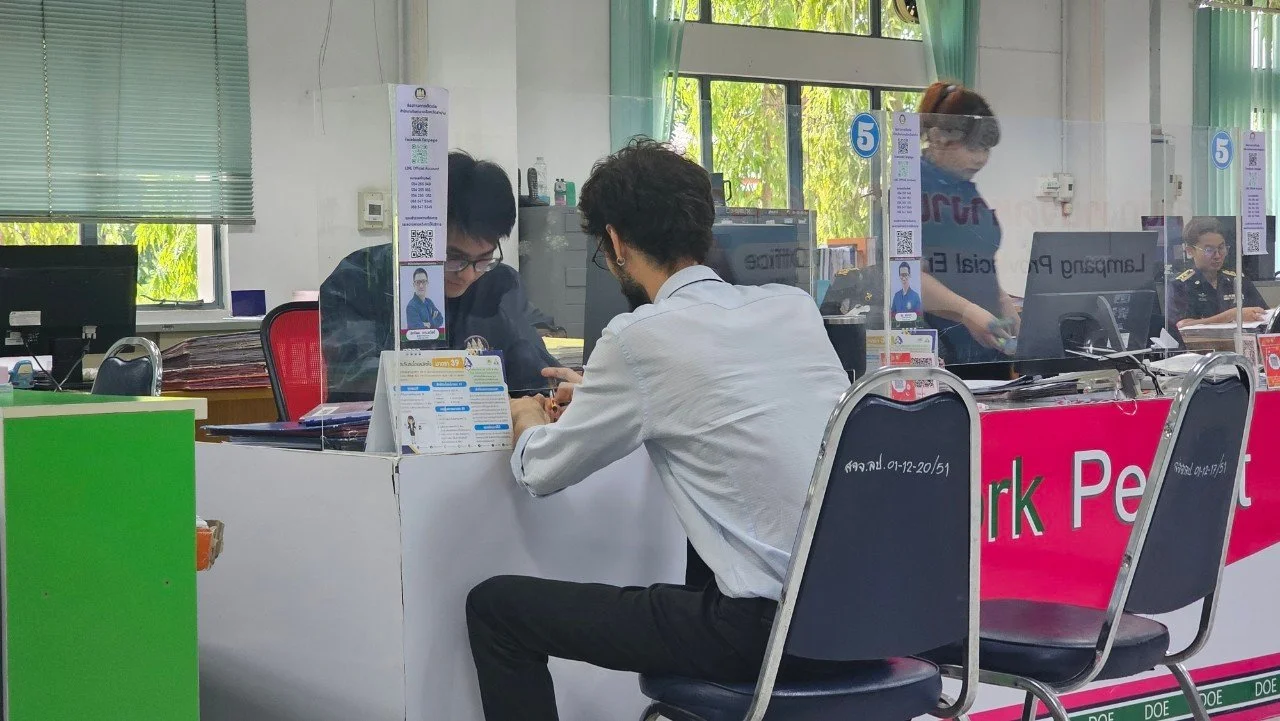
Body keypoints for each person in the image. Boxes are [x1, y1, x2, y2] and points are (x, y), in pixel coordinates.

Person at [464, 139, 850, 721]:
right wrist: (605, 391)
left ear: (615, 242)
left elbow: (539, 472)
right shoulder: (793, 307)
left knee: (496, 609)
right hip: (856, 620)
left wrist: (523, 414)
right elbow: (717, 390)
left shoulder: (638, 337)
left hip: (761, 636)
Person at [321, 151, 560, 401]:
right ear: (417, 232)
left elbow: (534, 374)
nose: (467, 275)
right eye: (454, 257)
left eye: (483, 259)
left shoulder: (499, 283)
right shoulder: (358, 279)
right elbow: (355, 381)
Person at [917, 82, 1018, 364]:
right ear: (937, 137)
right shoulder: (912, 187)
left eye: (986, 149)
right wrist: (968, 312)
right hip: (939, 347)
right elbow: (908, 275)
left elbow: (978, 258)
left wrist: (1004, 304)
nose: (981, 159)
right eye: (973, 147)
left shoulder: (966, 189)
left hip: (987, 342)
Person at [1170, 216, 1269, 329]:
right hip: (1201, 345)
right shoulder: (1181, 284)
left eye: (1221, 248)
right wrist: (1233, 314)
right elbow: (1182, 325)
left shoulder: (1237, 280)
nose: (1217, 256)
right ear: (1190, 251)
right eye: (1209, 250)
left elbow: (1264, 313)